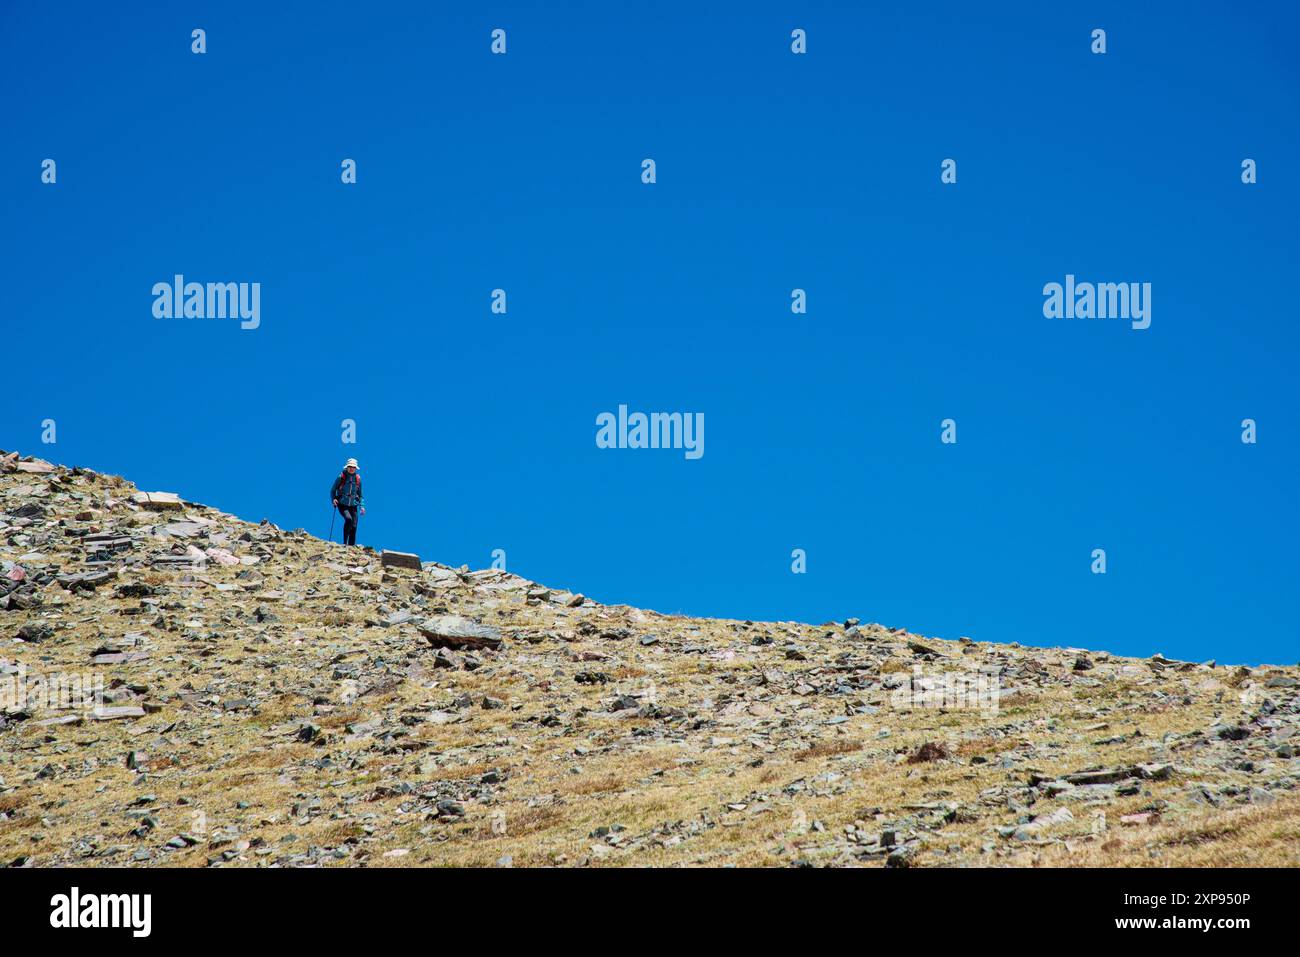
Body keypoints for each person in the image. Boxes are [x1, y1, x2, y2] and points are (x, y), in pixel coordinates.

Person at [331, 458, 365, 546]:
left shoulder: (358, 479)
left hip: (353, 505)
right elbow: (333, 490)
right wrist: (333, 499)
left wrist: (362, 506)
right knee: (348, 519)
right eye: (350, 467)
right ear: (347, 467)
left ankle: (351, 547)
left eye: (353, 467)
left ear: (356, 468)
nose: (351, 468)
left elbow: (360, 494)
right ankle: (345, 543)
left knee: (354, 526)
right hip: (342, 504)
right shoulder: (341, 477)